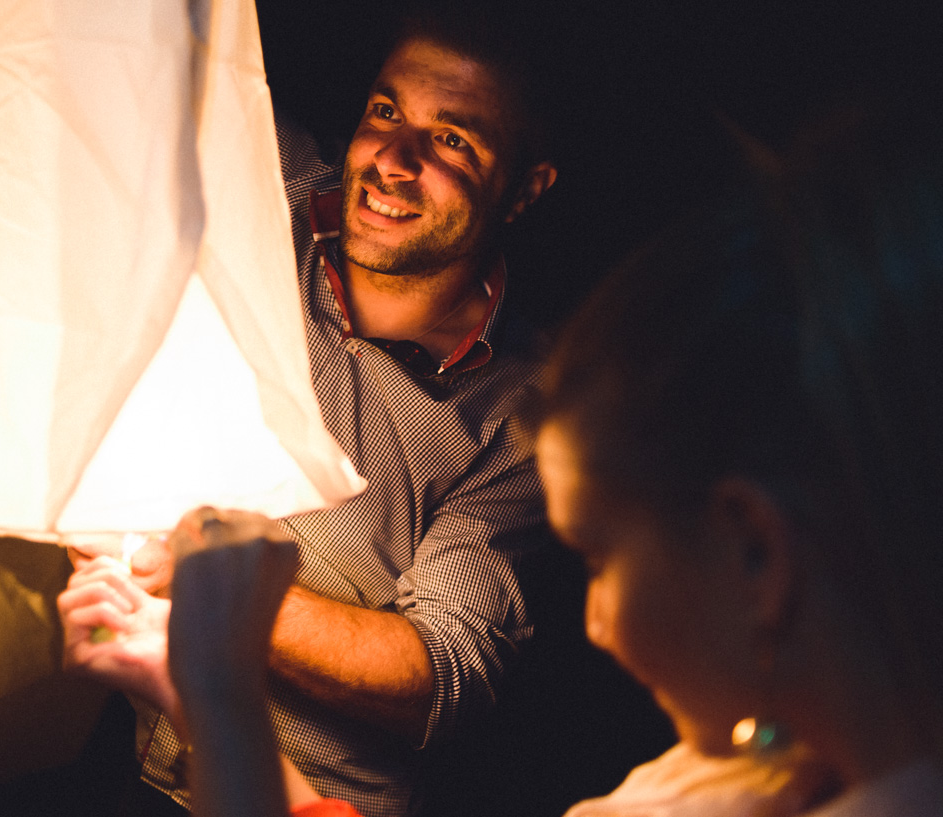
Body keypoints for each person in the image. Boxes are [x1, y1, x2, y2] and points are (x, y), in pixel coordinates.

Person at [140, 101, 943, 817]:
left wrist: (218, 676)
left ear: (756, 550)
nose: (590, 623)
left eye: (596, 557)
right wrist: (191, 690)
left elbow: (447, 664)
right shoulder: (735, 772)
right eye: (386, 112)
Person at [59, 6, 558, 815]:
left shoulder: (522, 415)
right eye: (386, 112)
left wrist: (210, 581)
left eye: (453, 140)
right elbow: (120, 57)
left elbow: (444, 671)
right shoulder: (264, 176)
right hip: (116, 743)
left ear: (524, 189)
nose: (393, 160)